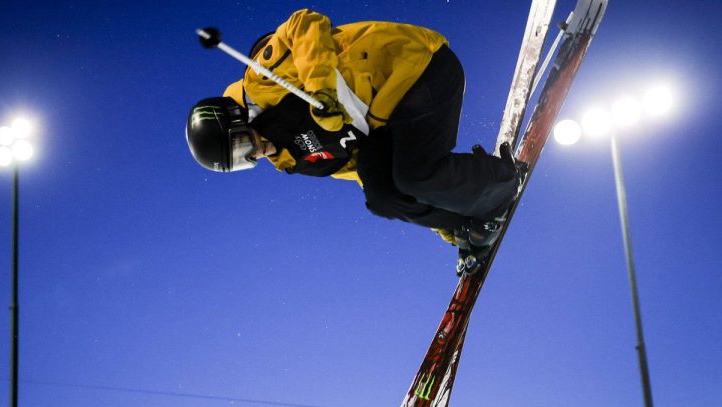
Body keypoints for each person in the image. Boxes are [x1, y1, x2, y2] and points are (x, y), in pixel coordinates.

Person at [186, 9, 524, 275]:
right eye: (243, 159)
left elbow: (303, 23)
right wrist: (446, 224)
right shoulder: (292, 158)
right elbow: (362, 168)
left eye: (242, 142)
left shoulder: (263, 80)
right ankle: (465, 223)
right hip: (386, 124)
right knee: (381, 195)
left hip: (416, 69)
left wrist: (322, 90)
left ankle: (502, 183)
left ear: (237, 117)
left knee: (413, 174)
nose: (254, 153)